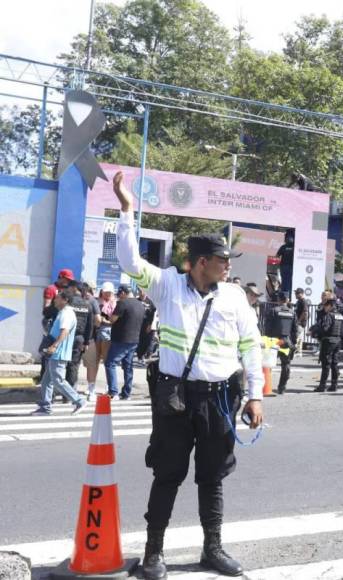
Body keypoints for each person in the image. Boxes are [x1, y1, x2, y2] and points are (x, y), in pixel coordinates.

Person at [111, 171, 264, 579]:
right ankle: (153, 552)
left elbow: (251, 346)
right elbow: (129, 261)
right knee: (168, 474)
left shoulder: (234, 297)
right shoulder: (167, 286)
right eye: (221, 260)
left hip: (219, 399)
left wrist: (255, 395)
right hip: (175, 398)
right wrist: (127, 211)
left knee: (212, 477)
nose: (228, 266)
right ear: (200, 263)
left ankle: (212, 549)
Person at [31, 289, 88, 416]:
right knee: (46, 381)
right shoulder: (63, 312)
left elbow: (64, 332)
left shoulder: (66, 314)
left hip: (59, 352)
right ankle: (46, 407)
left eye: (57, 298)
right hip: (56, 352)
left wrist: (54, 346)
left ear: (65, 300)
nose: (54, 300)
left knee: (58, 380)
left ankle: (79, 400)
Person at [105, 284, 147, 400]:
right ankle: (126, 392)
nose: (119, 297)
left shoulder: (122, 303)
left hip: (121, 339)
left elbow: (112, 319)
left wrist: (105, 318)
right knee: (128, 366)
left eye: (119, 294)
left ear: (123, 293)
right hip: (134, 339)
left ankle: (113, 391)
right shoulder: (140, 305)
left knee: (110, 363)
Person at [265, 291, 297, 395]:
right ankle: (282, 387)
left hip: (274, 340)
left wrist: (267, 340)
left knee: (268, 363)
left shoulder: (273, 310)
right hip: (286, 340)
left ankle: (266, 386)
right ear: (287, 300)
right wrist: (294, 343)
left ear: (279, 299)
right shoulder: (292, 312)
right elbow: (294, 330)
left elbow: (267, 328)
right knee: (286, 364)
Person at [66, 281, 95, 391]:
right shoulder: (87, 304)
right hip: (79, 339)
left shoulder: (68, 302)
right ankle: (69, 393)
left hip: (65, 337)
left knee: (59, 364)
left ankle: (55, 391)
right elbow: (90, 326)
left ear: (74, 288)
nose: (67, 290)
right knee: (73, 366)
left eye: (69, 287)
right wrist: (86, 342)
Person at [309, 298, 342, 392]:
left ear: (329, 306)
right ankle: (334, 385)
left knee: (326, 364)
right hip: (338, 340)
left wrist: (315, 333)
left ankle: (322, 386)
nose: (324, 308)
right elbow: (342, 330)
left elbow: (325, 329)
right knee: (335, 363)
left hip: (328, 341)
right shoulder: (340, 316)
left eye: (325, 306)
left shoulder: (329, 315)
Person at [80, 282, 103, 401]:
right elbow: (98, 320)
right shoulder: (93, 301)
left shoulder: (74, 299)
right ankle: (91, 391)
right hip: (89, 338)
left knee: (71, 365)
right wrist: (94, 327)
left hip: (74, 336)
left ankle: (70, 391)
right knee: (92, 365)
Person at [95, 282, 117, 379]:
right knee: (95, 359)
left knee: (106, 359)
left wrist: (105, 321)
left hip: (108, 330)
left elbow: (114, 320)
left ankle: (109, 386)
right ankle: (91, 385)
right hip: (96, 331)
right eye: (106, 292)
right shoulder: (98, 301)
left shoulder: (115, 303)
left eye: (109, 292)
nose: (107, 294)